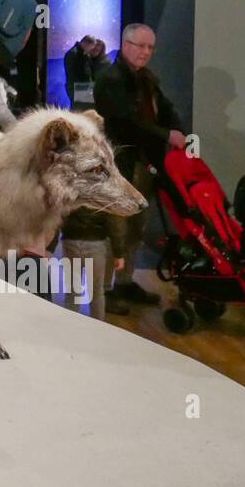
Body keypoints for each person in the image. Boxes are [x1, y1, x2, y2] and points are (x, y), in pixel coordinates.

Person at [93, 23, 185, 310]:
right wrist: (166, 135)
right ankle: (105, 289)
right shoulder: (110, 77)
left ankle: (124, 282)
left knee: (136, 227)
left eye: (150, 47)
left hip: (144, 163)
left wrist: (177, 130)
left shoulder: (147, 79)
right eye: (140, 45)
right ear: (126, 44)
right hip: (122, 162)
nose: (146, 52)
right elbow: (124, 122)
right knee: (116, 227)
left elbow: (166, 111)